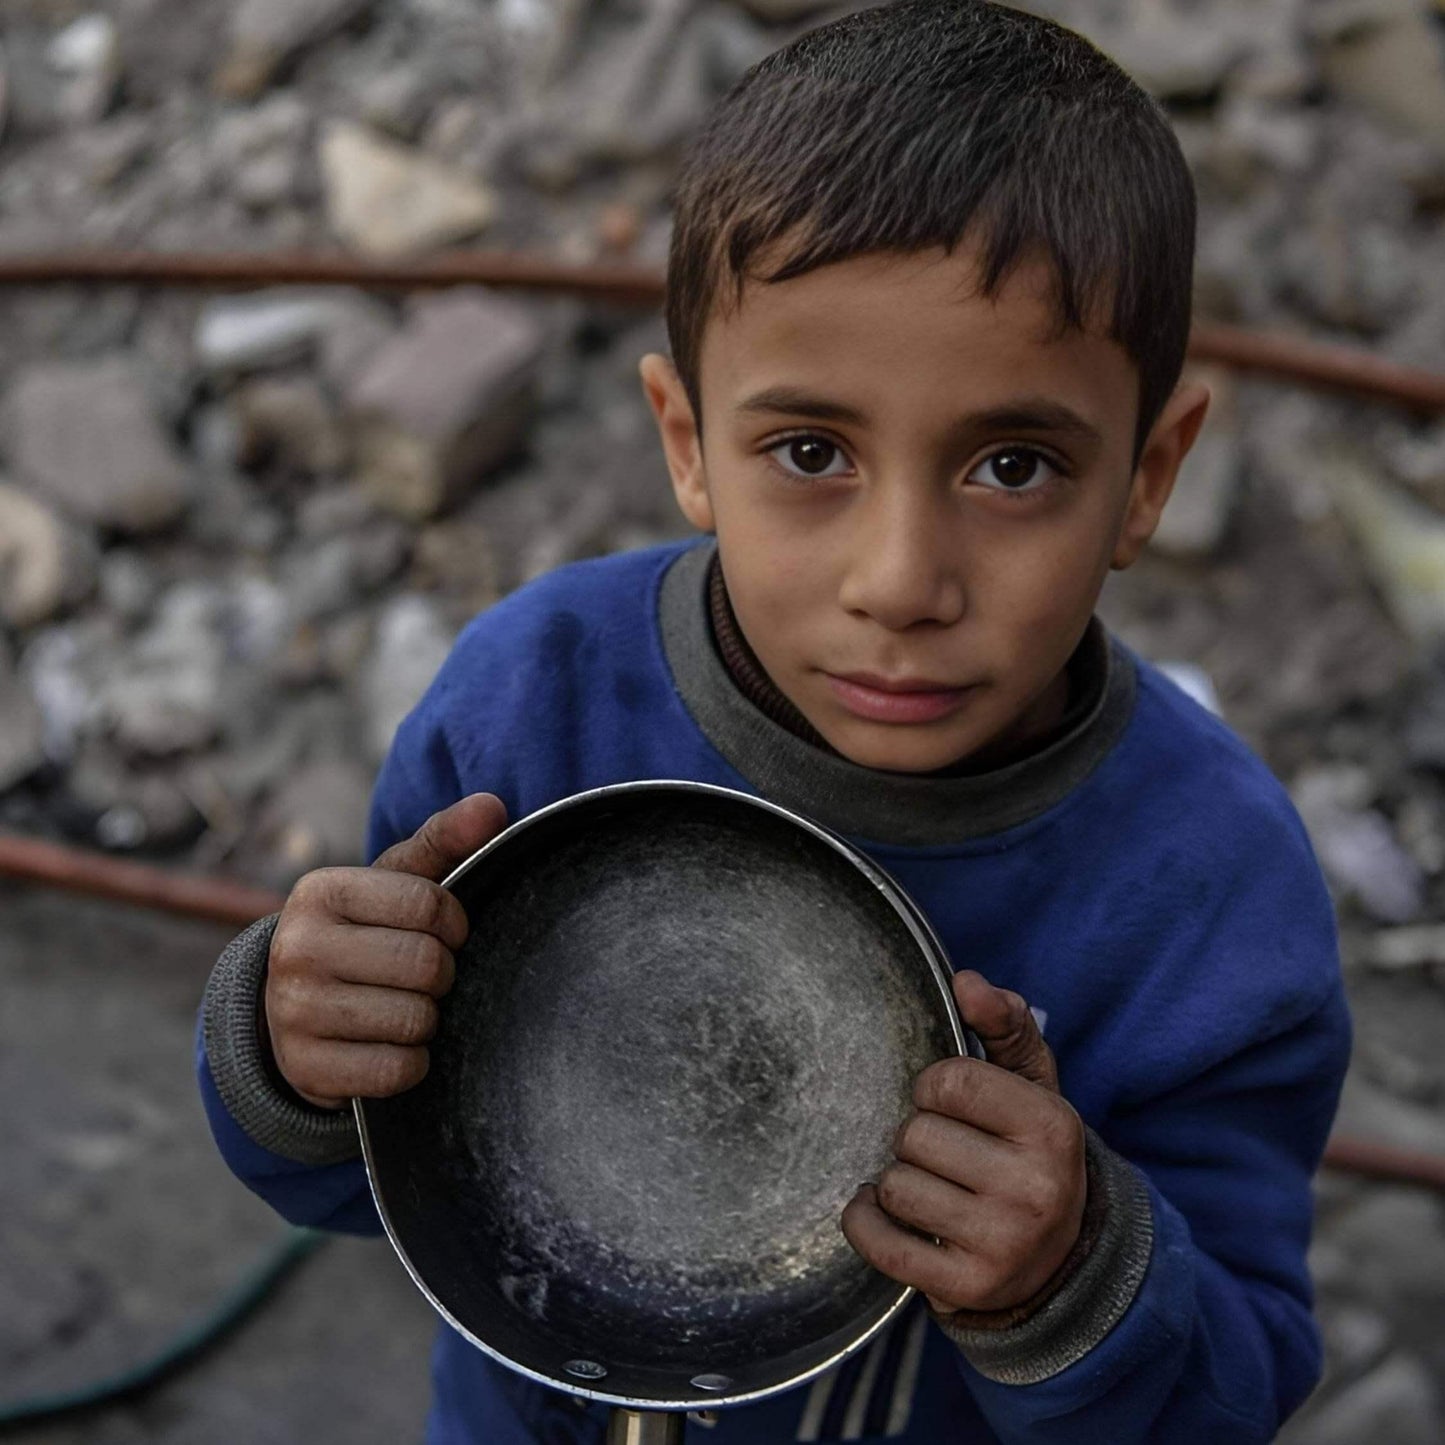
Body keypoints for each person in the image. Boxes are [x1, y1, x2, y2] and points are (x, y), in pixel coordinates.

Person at [196, 1, 1352, 1440]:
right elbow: (366, 1176)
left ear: (1146, 474)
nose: (900, 582)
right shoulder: (536, 703)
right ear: (686, 443)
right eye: (809, 452)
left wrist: (1073, 1275)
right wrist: (293, 1045)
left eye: (1011, 465)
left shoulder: (1212, 902)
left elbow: (1231, 1392)